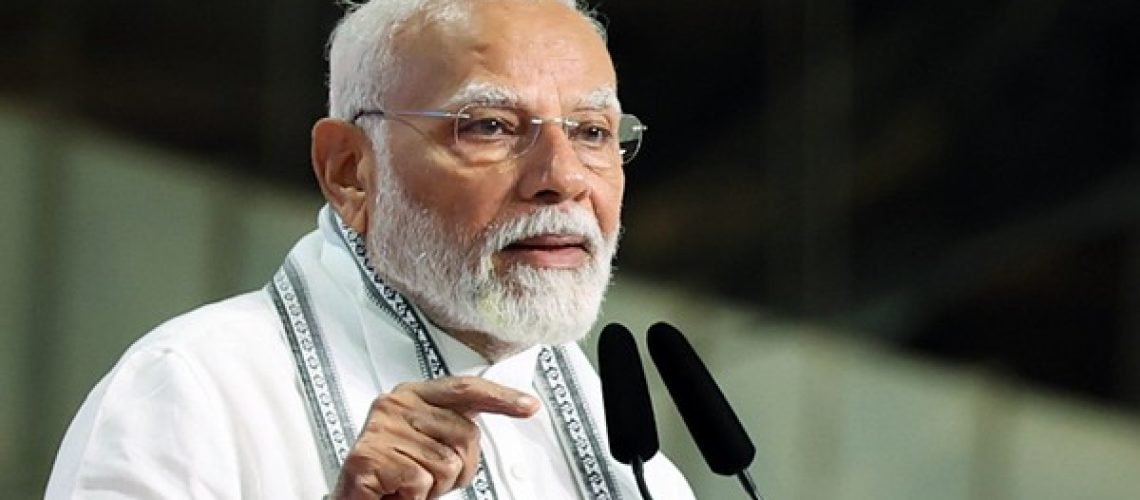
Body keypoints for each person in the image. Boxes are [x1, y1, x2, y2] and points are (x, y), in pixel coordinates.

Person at [45, 0, 696, 498]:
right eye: (490, 127)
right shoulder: (191, 391)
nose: (562, 178)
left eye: (591, 132)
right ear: (351, 169)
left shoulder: (637, 470)